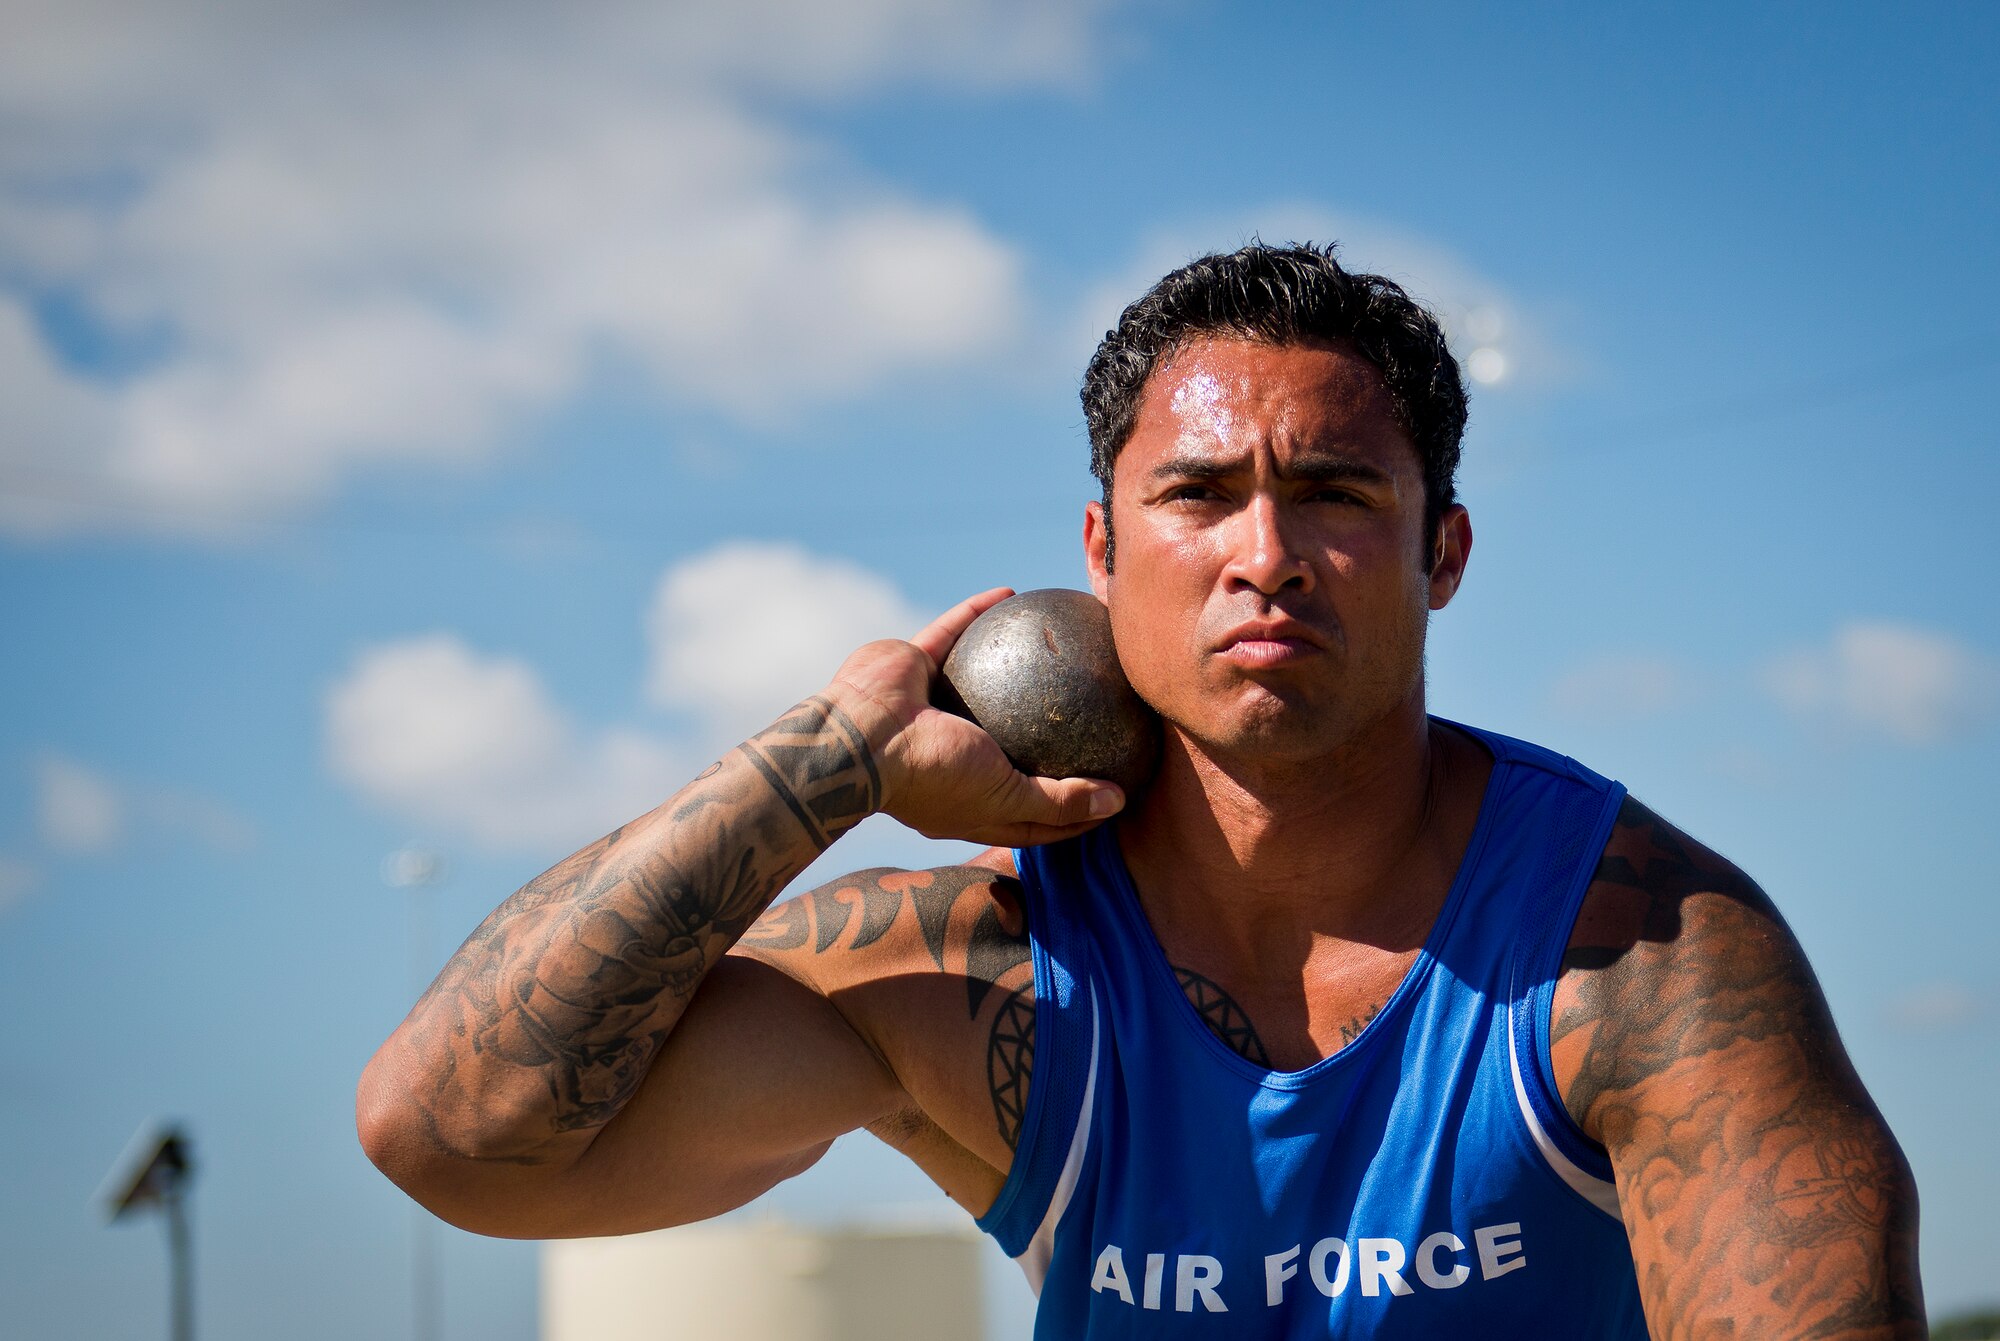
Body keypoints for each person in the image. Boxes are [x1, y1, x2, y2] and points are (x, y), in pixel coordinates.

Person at [357, 244, 1926, 1337]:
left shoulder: (1646, 961)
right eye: (1197, 495)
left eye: (1335, 494)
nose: (1265, 555)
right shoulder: (984, 970)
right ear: (1100, 556)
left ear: (1441, 554)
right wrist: (823, 765)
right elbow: (448, 1135)